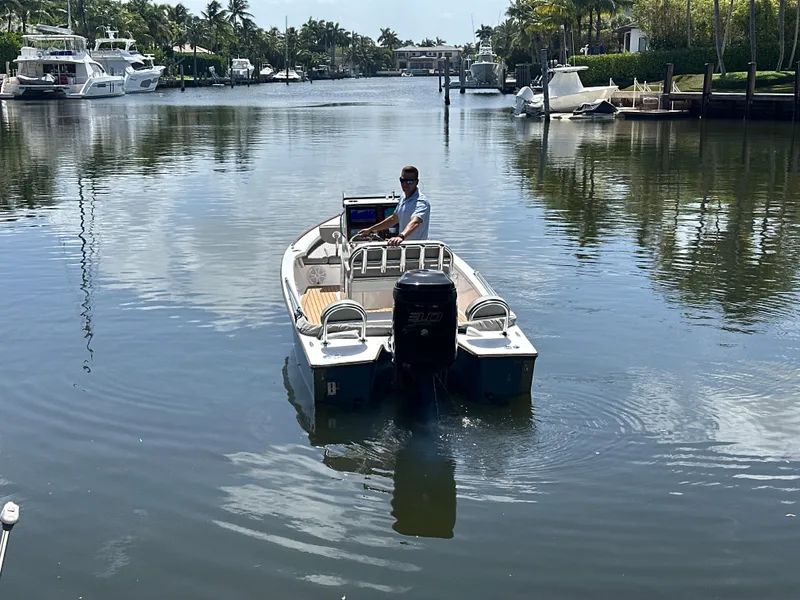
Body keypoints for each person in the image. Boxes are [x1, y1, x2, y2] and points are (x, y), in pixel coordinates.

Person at [356, 166, 430, 246]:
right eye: (402, 180)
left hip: (417, 247)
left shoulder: (421, 202)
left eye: (409, 181)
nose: (405, 184)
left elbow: (415, 222)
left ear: (416, 182)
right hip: (403, 246)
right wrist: (370, 230)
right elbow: (393, 219)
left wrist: (401, 236)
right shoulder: (403, 197)